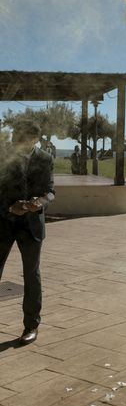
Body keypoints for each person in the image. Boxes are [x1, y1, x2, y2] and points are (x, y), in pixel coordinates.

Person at [0, 119, 55, 345]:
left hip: (32, 226)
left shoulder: (45, 158)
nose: (17, 144)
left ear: (34, 139)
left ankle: (31, 326)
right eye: (15, 139)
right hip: (3, 223)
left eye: (22, 140)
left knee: (32, 276)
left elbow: (50, 191)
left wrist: (40, 202)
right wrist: (8, 207)